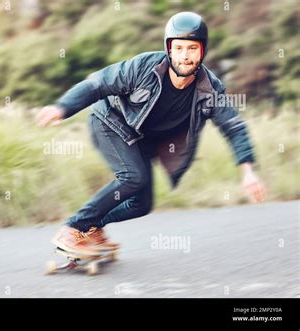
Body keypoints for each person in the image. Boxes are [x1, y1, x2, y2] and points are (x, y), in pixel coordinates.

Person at [36, 12, 266, 256]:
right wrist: (63, 107)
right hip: (110, 122)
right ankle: (72, 229)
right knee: (132, 178)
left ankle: (92, 228)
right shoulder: (144, 68)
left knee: (142, 204)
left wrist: (248, 172)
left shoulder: (209, 89)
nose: (185, 56)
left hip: (140, 138)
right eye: (178, 48)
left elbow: (233, 126)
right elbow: (98, 83)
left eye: (192, 48)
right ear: (169, 49)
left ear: (203, 51)